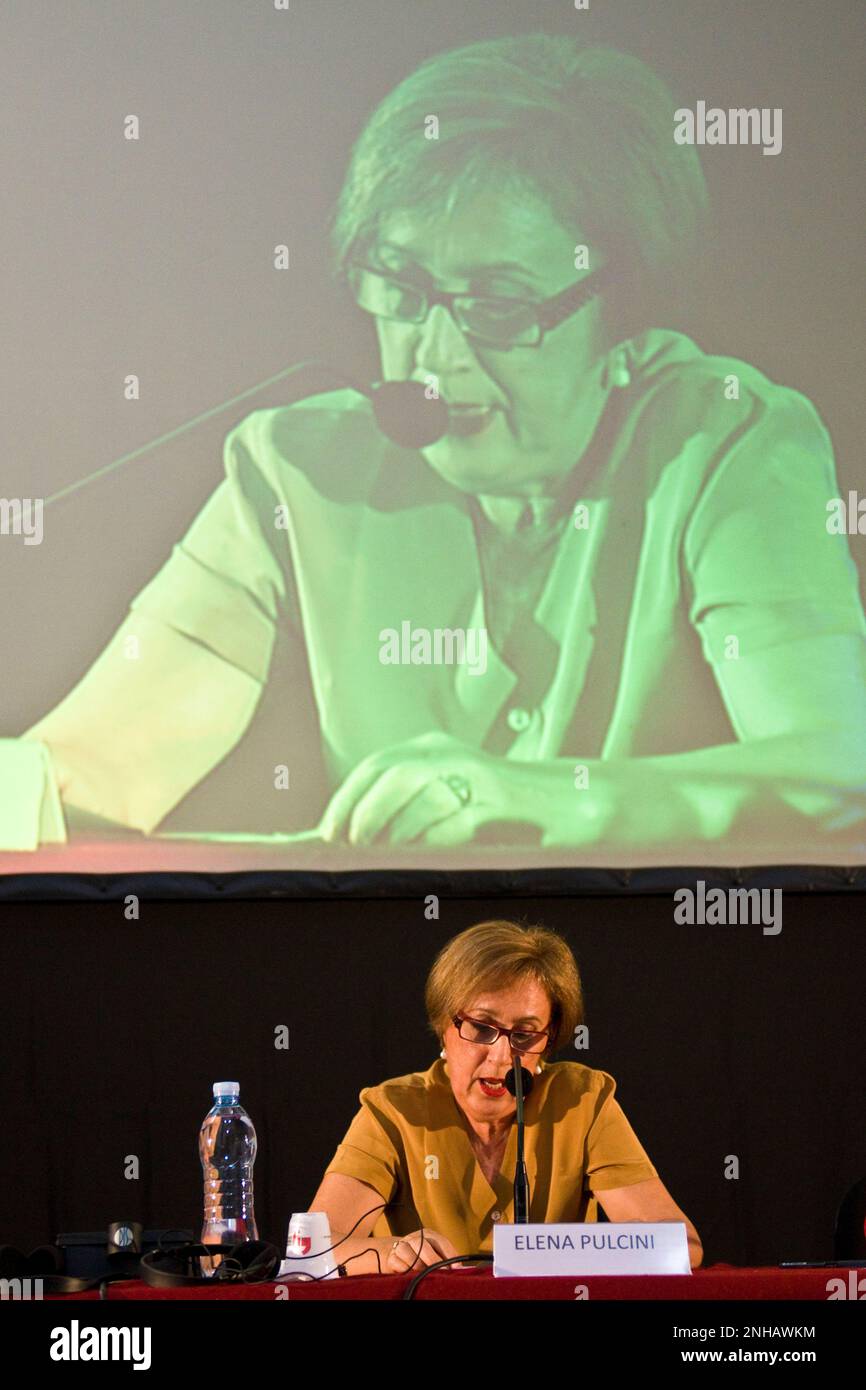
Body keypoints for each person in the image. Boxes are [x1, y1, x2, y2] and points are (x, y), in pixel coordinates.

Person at [15, 34, 866, 855]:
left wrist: (528, 800)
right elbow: (92, 774)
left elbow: (840, 772)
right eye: (404, 289)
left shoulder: (726, 440)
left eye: (498, 305)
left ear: (627, 327)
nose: (434, 355)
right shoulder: (297, 470)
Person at [308, 919, 703, 1273]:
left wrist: (594, 1251)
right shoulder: (393, 1110)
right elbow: (310, 1249)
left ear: (548, 1040)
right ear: (444, 1025)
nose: (501, 1057)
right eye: (481, 1027)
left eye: (525, 1034)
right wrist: (391, 1250)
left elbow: (683, 1246)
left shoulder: (582, 1101)